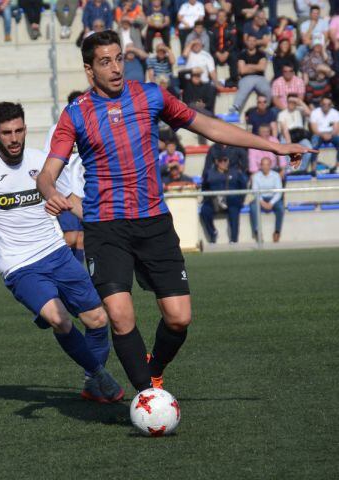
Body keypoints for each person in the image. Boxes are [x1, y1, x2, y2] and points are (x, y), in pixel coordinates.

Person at [37, 31, 312, 393]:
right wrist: (51, 193)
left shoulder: (150, 95)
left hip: (153, 222)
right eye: (105, 62)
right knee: (120, 318)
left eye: (119, 58)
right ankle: (148, 397)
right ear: (89, 70)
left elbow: (209, 126)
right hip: (106, 227)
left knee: (179, 319)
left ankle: (154, 368)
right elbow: (46, 174)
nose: (116, 68)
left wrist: (272, 146)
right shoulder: (75, 114)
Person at [0, 102, 123, 403]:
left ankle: (89, 381)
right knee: (61, 320)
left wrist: (104, 228)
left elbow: (70, 198)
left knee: (98, 319)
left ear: (25, 129)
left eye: (19, 130)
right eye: (7, 132)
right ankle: (99, 374)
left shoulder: (43, 163)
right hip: (20, 266)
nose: (14, 138)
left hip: (57, 253)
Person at [43, 91, 86, 264]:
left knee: (83, 238)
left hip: (87, 191)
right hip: (65, 193)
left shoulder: (90, 128)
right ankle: (58, 267)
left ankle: (82, 276)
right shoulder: (57, 130)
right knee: (71, 237)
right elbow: (48, 159)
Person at [221, 35, 271, 122]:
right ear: (246, 42)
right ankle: (234, 111)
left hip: (260, 78)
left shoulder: (261, 54)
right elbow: (242, 70)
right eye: (249, 41)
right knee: (245, 87)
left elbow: (262, 68)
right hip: (246, 78)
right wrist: (256, 66)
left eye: (253, 40)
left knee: (267, 89)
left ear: (256, 42)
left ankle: (268, 108)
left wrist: (248, 66)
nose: (251, 42)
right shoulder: (242, 54)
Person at [200, 156, 247, 243]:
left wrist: (240, 200)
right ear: (217, 162)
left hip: (232, 200)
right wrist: (208, 198)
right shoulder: (209, 173)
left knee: (234, 210)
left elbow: (243, 186)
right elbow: (204, 187)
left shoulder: (235, 172)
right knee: (204, 210)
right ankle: (212, 233)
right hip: (215, 201)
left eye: (225, 160)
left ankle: (234, 239)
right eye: (221, 160)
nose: (223, 163)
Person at [250, 157, 284, 243]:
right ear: (260, 166)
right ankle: (257, 232)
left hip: (273, 198)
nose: (265, 167)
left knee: (280, 208)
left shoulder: (276, 176)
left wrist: (271, 203)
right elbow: (255, 191)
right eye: (263, 165)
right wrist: (262, 202)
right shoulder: (256, 176)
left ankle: (277, 231)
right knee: (253, 207)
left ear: (270, 165)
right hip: (260, 198)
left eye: (267, 165)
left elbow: (279, 192)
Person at [277, 94, 312, 173]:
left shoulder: (299, 110)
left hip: (299, 136)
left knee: (309, 147)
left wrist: (299, 101)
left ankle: (301, 169)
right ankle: (289, 169)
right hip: (287, 136)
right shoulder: (282, 113)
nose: (291, 104)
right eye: (289, 102)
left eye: (293, 102)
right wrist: (289, 143)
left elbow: (309, 113)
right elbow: (284, 129)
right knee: (284, 146)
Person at [209, 8, 238, 86]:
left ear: (226, 18)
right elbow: (211, 44)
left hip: (227, 51)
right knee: (211, 59)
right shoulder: (212, 29)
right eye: (219, 16)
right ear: (217, 17)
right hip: (216, 52)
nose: (221, 18)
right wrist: (217, 53)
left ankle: (234, 80)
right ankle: (213, 81)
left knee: (234, 57)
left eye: (223, 16)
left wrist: (227, 52)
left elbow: (234, 42)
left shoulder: (231, 28)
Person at [310, 96, 339, 173]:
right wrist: (323, 135)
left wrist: (330, 135)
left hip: (331, 134)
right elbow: (314, 129)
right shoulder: (315, 113)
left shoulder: (335, 113)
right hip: (318, 134)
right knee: (314, 145)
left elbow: (336, 129)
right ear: (320, 104)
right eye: (324, 104)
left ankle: (337, 166)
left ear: (331, 105)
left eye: (328, 104)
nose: (326, 106)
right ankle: (313, 169)